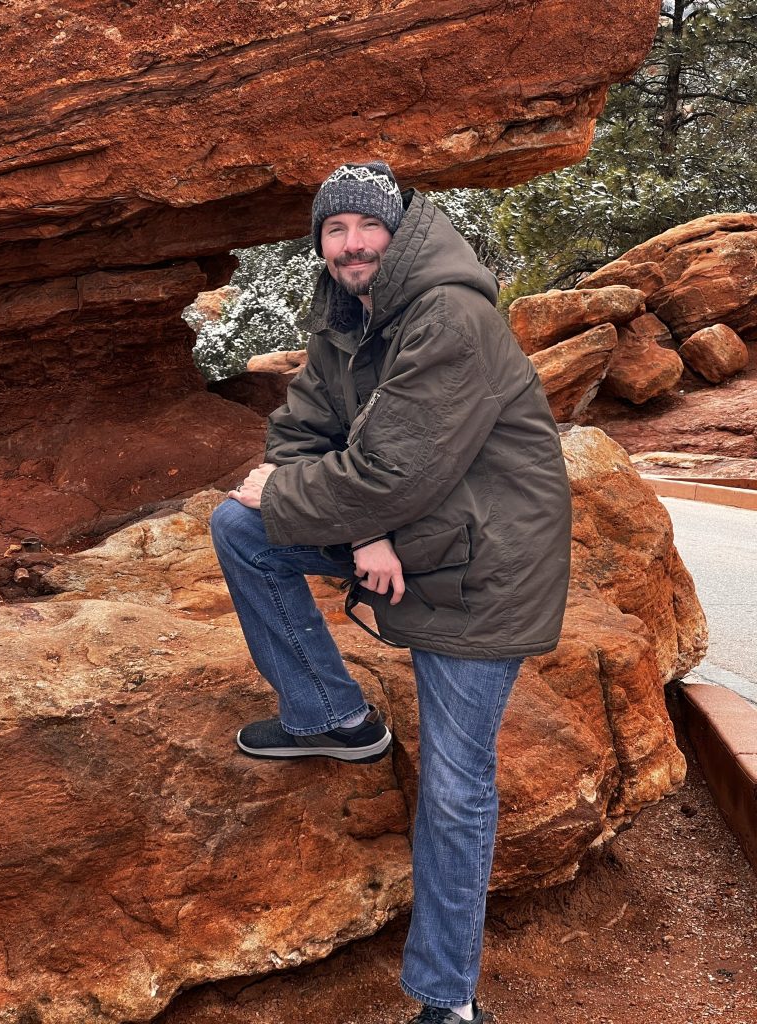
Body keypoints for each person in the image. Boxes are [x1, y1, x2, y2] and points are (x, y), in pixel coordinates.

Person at [210, 161, 572, 1024]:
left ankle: (448, 1002)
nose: (350, 244)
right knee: (242, 525)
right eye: (333, 230)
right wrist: (365, 529)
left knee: (455, 783)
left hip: (482, 569)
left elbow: (399, 466)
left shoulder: (450, 315)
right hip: (408, 529)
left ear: (401, 231)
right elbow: (301, 433)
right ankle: (333, 716)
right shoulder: (346, 315)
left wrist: (365, 510)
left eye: (365, 227)